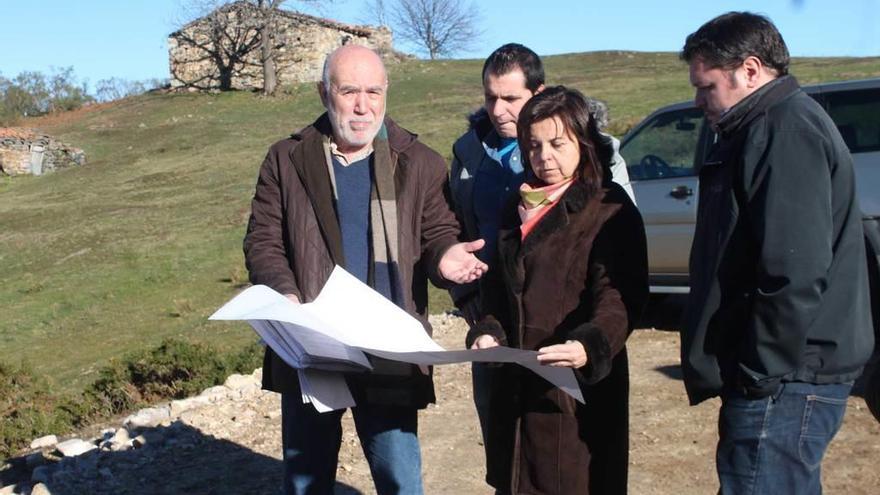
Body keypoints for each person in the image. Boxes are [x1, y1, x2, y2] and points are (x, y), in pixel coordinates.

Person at [243, 44, 487, 495]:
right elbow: (264, 241)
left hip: (388, 347)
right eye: (349, 91)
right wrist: (288, 298)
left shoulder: (420, 162)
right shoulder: (286, 159)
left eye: (373, 91)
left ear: (387, 91)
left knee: (399, 479)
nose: (362, 105)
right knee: (306, 480)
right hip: (313, 347)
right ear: (323, 93)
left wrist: (446, 256)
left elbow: (437, 234)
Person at [679, 12, 875, 493]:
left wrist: (760, 371)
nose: (698, 99)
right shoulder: (763, 126)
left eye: (707, 86)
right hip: (786, 372)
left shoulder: (785, 130)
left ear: (750, 69)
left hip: (789, 376)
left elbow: (794, 270)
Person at [447, 43, 635, 469]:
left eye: (511, 98)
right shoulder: (472, 158)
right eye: (490, 97)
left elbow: (622, 279)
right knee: (509, 453)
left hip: (568, 344)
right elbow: (465, 233)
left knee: (568, 464)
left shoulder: (603, 176)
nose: (498, 110)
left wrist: (592, 340)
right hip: (501, 337)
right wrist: (478, 315)